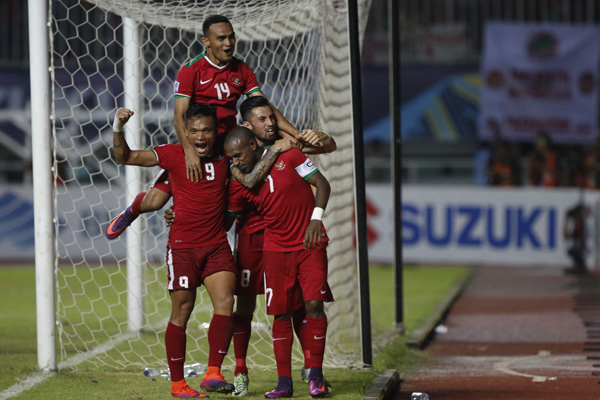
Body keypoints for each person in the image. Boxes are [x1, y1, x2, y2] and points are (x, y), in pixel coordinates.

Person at [111, 104, 295, 398]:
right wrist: (119, 127)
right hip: (183, 248)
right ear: (186, 132)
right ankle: (177, 384)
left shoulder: (226, 155)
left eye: (206, 130)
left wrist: (285, 141)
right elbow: (125, 157)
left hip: (217, 245)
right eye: (194, 130)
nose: (200, 136)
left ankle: (213, 373)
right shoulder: (174, 154)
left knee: (225, 303)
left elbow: (253, 144)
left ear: (216, 132)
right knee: (182, 311)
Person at [106, 14, 335, 241]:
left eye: (232, 37)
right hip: (198, 146)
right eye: (221, 38)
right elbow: (179, 117)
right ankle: (133, 209)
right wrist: (188, 152)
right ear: (206, 41)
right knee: (155, 202)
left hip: (227, 147)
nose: (228, 43)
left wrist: (296, 134)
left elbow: (264, 105)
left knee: (225, 198)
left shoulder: (241, 70)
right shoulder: (191, 70)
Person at [165, 96, 333, 397]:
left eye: (272, 118)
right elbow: (234, 194)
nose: (270, 123)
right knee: (245, 307)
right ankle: (241, 370)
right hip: (253, 240)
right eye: (263, 119)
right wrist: (183, 216)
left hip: (285, 236)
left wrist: (323, 138)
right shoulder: (236, 160)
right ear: (247, 126)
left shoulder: (286, 147)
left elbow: (325, 150)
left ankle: (311, 369)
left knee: (302, 305)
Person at [224, 127, 334, 398]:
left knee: (313, 304)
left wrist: (315, 219)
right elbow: (226, 219)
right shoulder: (240, 182)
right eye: (230, 158)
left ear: (252, 144)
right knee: (281, 313)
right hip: (274, 250)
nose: (234, 161)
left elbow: (322, 184)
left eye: (237, 155)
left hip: (310, 243)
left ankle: (316, 376)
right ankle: (284, 383)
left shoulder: (292, 156)